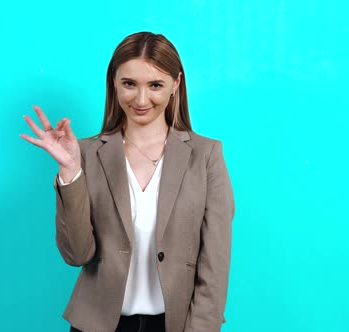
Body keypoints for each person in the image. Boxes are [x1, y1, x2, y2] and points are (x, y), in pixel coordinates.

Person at [20, 32, 235, 332]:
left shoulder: (206, 155)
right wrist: (70, 171)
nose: (141, 99)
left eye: (155, 85)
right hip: (97, 324)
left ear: (176, 84)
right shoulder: (85, 154)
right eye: (129, 84)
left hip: (175, 325)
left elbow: (215, 262)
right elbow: (77, 254)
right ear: (114, 82)